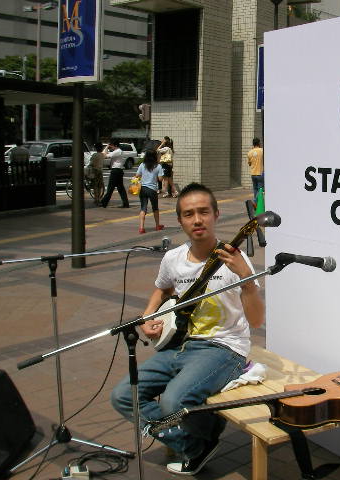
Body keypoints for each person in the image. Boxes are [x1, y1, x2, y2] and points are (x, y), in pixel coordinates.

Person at [111, 183, 265, 475]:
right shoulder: (173, 259)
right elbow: (162, 289)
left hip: (224, 348)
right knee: (123, 395)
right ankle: (195, 444)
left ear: (216, 215)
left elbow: (256, 321)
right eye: (189, 214)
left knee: (174, 401)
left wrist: (246, 279)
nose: (197, 220)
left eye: (204, 212)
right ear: (180, 220)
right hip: (181, 344)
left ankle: (199, 436)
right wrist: (147, 317)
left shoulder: (236, 259)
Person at [134, 150, 164, 234]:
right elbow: (160, 179)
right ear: (155, 156)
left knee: (143, 208)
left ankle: (141, 228)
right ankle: (157, 225)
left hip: (143, 189)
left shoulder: (142, 165)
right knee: (155, 208)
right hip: (152, 189)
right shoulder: (158, 166)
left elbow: (137, 175)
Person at [100, 139, 130, 208]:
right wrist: (107, 147)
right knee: (120, 188)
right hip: (118, 171)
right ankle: (126, 203)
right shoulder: (118, 151)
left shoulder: (117, 151)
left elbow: (104, 155)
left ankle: (104, 203)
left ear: (115, 145)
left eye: (112, 146)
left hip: (116, 171)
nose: (111, 147)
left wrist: (106, 147)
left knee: (110, 188)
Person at [246, 138, 264, 202]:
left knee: (255, 189)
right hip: (260, 173)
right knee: (260, 189)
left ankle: (256, 203)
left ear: (253, 144)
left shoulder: (249, 152)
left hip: (253, 174)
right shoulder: (262, 151)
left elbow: (249, 164)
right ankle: (255, 201)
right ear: (259, 143)